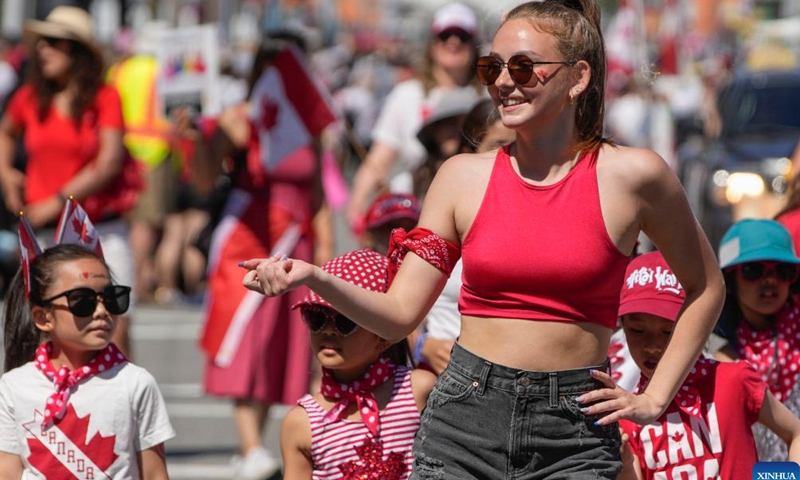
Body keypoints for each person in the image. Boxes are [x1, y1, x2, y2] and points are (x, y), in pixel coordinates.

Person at [242, 1, 724, 477]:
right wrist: (312, 278)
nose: (503, 81)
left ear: (577, 77)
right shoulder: (459, 178)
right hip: (464, 419)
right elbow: (398, 315)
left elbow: (706, 287)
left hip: (575, 430)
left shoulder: (634, 175)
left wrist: (655, 396)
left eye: (523, 66)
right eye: (491, 66)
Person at [197, 34, 336, 480]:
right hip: (248, 237)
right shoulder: (241, 119)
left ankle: (268, 445)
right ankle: (251, 446)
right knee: (246, 340)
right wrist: (209, 138)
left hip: (298, 242)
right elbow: (201, 179)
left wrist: (327, 250)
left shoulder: (308, 122)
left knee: (289, 343)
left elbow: (316, 192)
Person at [0, 6, 139, 357]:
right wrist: (7, 174)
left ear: (77, 52)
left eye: (54, 42)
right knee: (42, 330)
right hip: (44, 235)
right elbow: (4, 133)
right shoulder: (30, 98)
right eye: (41, 42)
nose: (42, 49)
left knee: (112, 328)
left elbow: (108, 162)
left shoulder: (105, 98)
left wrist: (59, 199)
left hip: (98, 231)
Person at [0, 215, 174, 478]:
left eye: (112, 298)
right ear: (43, 317)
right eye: (82, 301)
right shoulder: (14, 387)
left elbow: (155, 474)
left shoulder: (135, 383)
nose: (102, 311)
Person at [613, 251, 800, 479]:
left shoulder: (734, 379)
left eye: (667, 331)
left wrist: (779, 476)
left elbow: (796, 433)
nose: (652, 346)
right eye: (637, 330)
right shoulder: (628, 416)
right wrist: (624, 462)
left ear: (698, 326)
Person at [280, 249, 435, 479]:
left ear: (384, 337)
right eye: (316, 317)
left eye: (345, 321)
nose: (329, 330)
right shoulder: (301, 423)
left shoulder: (417, 391)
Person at [346, 2, 482, 232]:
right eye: (445, 34)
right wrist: (357, 205)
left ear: (474, 43)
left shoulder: (487, 96)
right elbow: (378, 160)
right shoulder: (407, 95)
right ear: (432, 42)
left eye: (462, 34)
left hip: (473, 213)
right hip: (416, 214)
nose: (453, 41)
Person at [711, 218, 800, 462]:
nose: (770, 280)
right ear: (729, 281)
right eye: (754, 270)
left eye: (783, 271)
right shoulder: (709, 347)